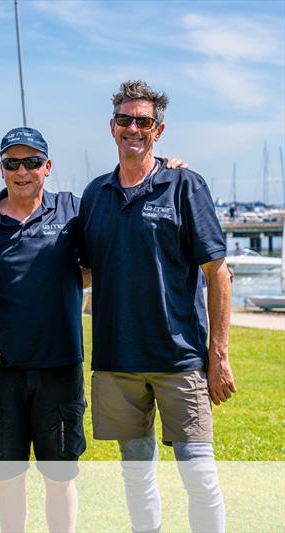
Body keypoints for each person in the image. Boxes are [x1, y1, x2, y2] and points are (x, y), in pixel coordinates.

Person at [78, 80, 236, 533]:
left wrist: (218, 357)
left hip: (180, 357)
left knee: (199, 475)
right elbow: (85, 271)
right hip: (118, 361)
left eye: (143, 121)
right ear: (112, 127)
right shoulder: (95, 195)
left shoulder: (183, 185)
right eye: (125, 119)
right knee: (136, 475)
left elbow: (217, 274)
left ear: (158, 130)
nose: (133, 128)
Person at [0, 127, 87, 533]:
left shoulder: (72, 211)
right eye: (12, 163)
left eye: (32, 162)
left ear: (47, 167)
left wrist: (168, 170)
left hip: (60, 368)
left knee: (60, 476)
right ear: (1, 169)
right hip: (3, 373)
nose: (22, 171)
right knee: (7, 477)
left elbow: (124, 212)